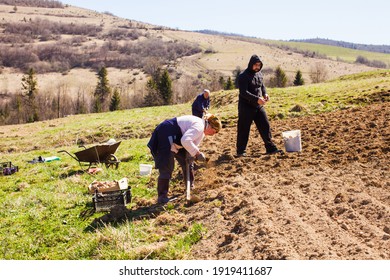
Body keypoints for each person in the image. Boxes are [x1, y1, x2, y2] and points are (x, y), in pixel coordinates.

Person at [147, 114, 222, 204]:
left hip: (176, 138)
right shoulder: (199, 127)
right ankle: (162, 197)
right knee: (167, 167)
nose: (213, 134)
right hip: (165, 134)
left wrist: (193, 155)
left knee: (188, 162)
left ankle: (190, 188)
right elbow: (186, 140)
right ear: (210, 126)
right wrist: (197, 153)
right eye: (215, 131)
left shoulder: (201, 131)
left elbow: (190, 145)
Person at [236, 54, 281, 156]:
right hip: (246, 107)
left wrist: (265, 94)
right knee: (244, 129)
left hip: (258, 106)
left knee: (265, 126)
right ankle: (241, 151)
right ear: (251, 64)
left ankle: (270, 148)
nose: (257, 67)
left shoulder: (259, 74)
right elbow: (243, 92)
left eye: (259, 65)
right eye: (255, 65)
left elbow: (262, 86)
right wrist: (257, 99)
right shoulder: (243, 76)